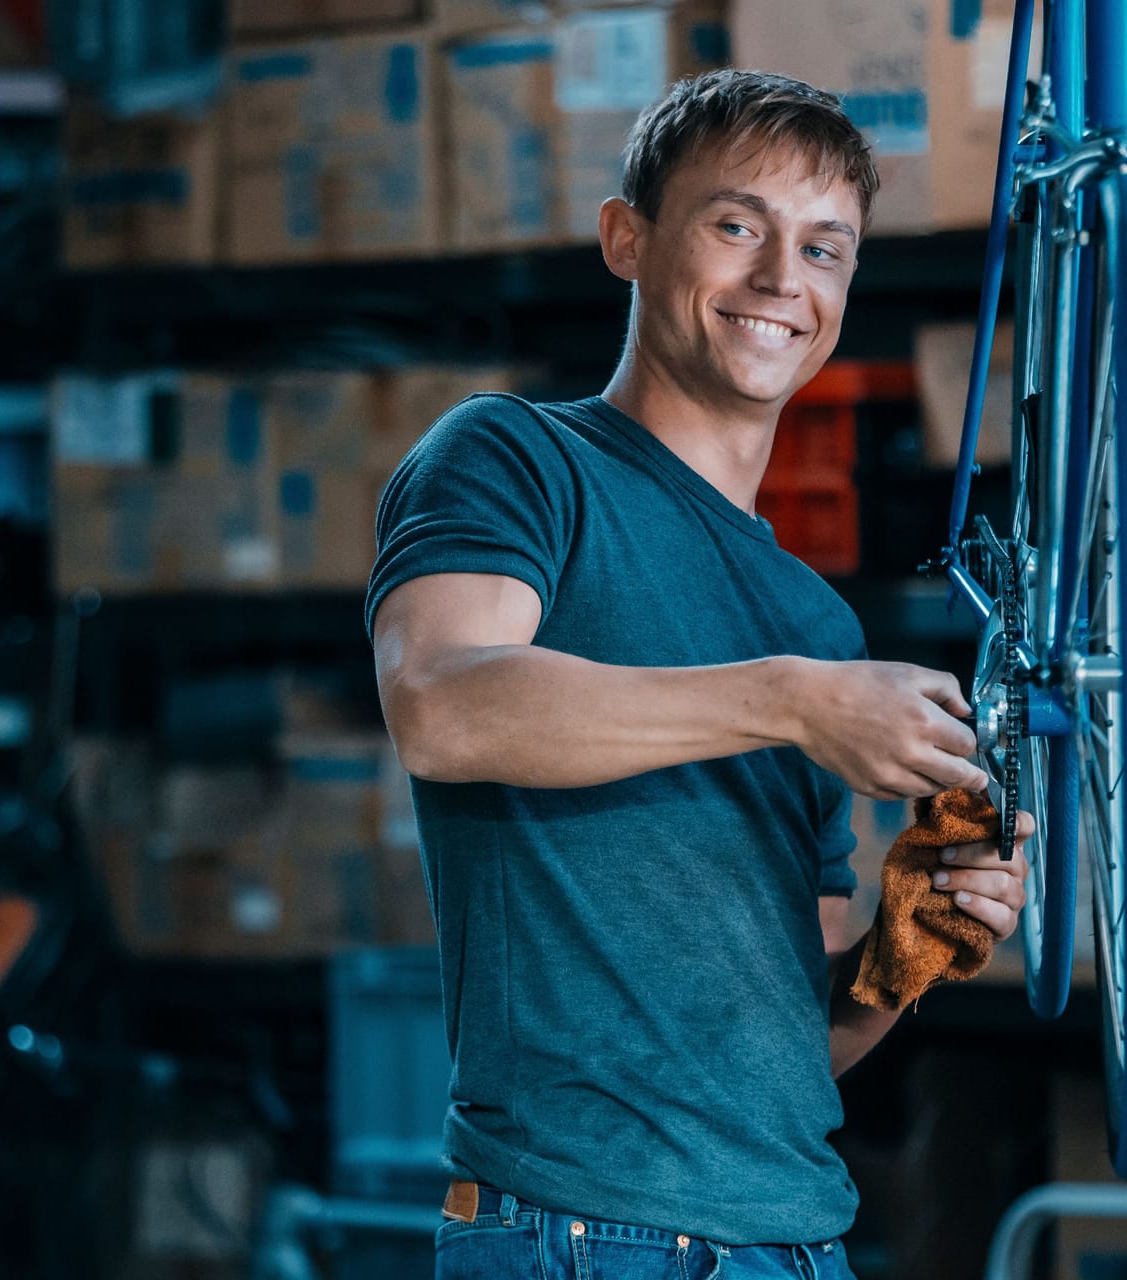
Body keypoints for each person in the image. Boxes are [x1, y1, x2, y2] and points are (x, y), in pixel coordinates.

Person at [364, 69, 1031, 1280]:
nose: (783, 279)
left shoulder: (814, 619)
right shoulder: (516, 459)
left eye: (825, 247)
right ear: (628, 237)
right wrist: (787, 698)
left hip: (794, 1242)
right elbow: (444, 704)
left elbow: (793, 1042)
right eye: (739, 227)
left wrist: (899, 958)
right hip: (579, 1235)